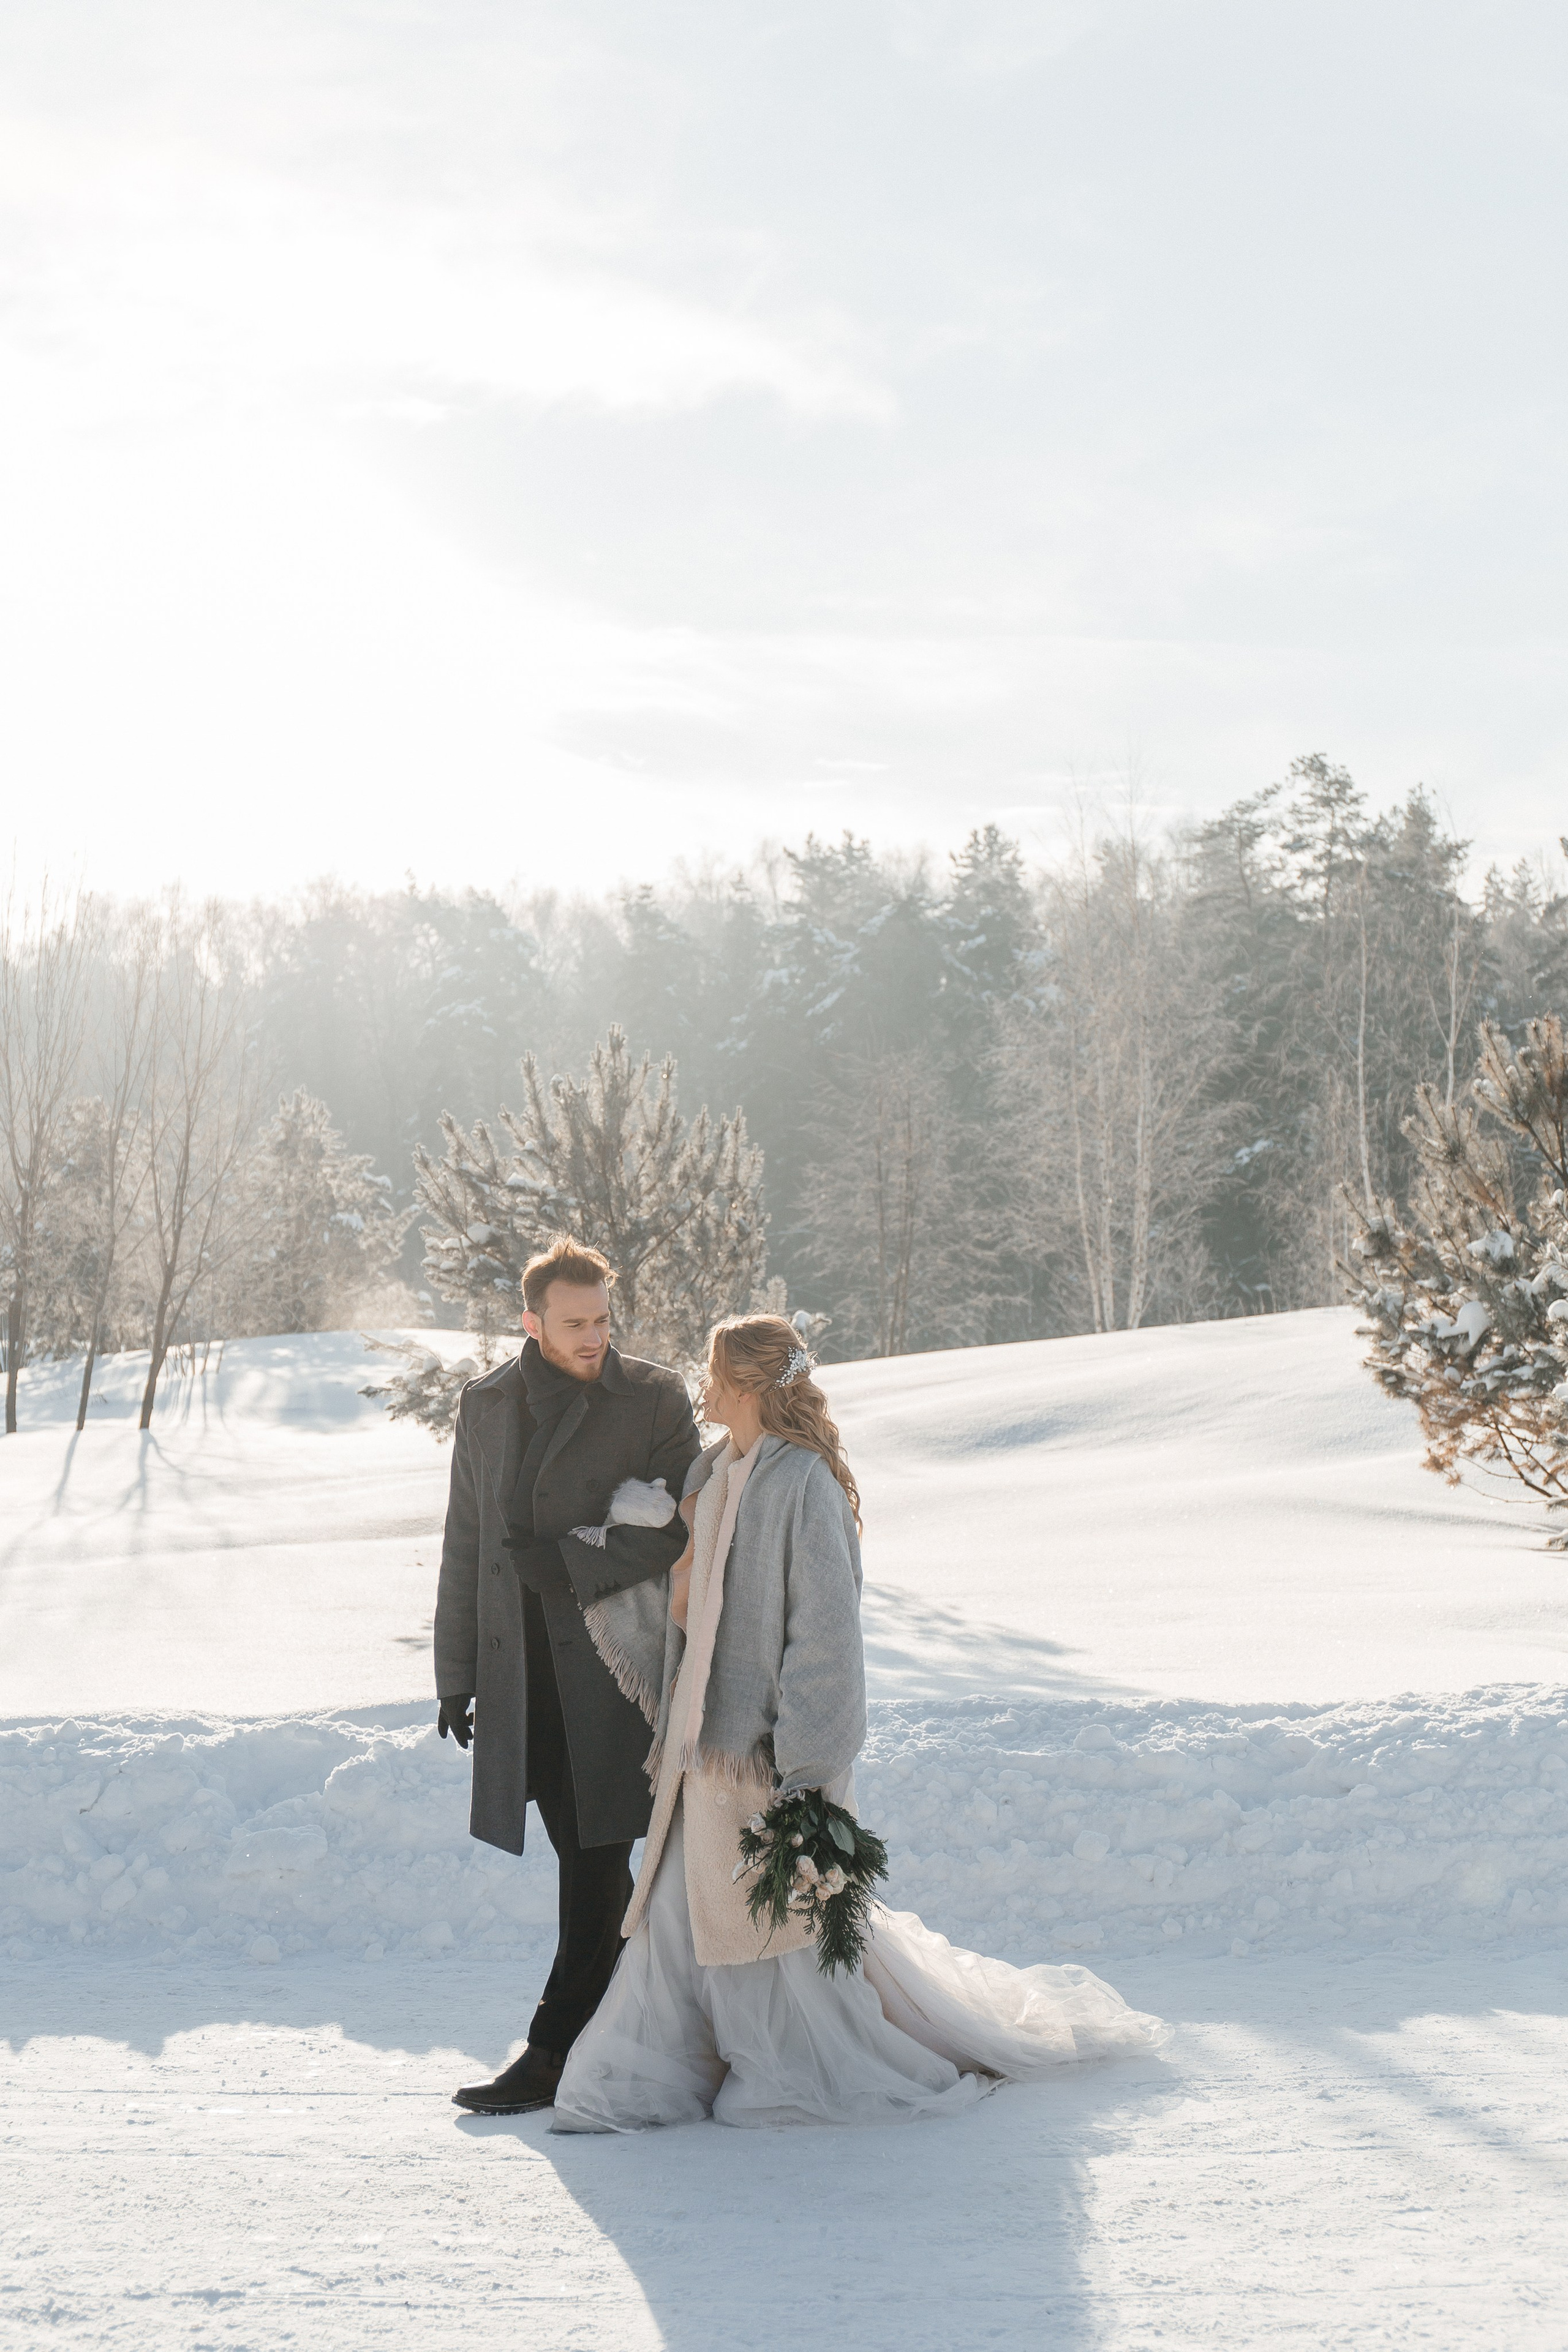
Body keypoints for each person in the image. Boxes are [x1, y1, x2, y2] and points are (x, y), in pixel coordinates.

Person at [551, 1311, 1170, 2133]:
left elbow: (826, 1639)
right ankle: (639, 2080)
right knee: (678, 1916)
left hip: (758, 1753)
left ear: (743, 1384)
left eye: (714, 1374)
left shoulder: (801, 1484)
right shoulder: (713, 1472)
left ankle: (789, 2072)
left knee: (762, 1930)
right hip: (700, 1740)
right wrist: (619, 1544)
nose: (703, 1388)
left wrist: (806, 1776)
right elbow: (682, 1595)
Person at [434, 1237, 699, 2116]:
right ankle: (628, 2036)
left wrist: (571, 1563)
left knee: (595, 1861)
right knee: (583, 1857)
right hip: (523, 1678)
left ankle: (552, 2053)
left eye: (603, 1320)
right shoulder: (487, 1405)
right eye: (575, 1323)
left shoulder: (653, 1396)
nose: (594, 1338)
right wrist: (457, 1673)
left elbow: (676, 1529)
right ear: (532, 1321)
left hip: (614, 1672)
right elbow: (466, 1543)